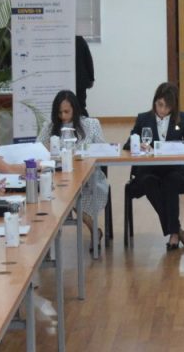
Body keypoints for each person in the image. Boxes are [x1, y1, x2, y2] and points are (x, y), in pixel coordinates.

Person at [125, 82, 184, 250]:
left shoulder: (183, 118)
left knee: (171, 182)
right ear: (154, 102)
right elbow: (128, 144)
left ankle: (174, 233)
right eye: (159, 105)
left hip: (174, 170)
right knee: (148, 182)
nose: (162, 110)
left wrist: (176, 147)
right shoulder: (143, 118)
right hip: (149, 170)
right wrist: (137, 145)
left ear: (173, 107)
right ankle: (177, 230)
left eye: (167, 107)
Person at [37, 90, 109, 251]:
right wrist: (47, 149)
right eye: (59, 112)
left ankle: (94, 231)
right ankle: (46, 242)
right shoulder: (49, 127)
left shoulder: (90, 125)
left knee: (74, 193)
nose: (63, 116)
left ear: (75, 110)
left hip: (89, 177)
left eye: (66, 111)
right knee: (53, 192)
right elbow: (37, 151)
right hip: (58, 177)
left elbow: (104, 150)